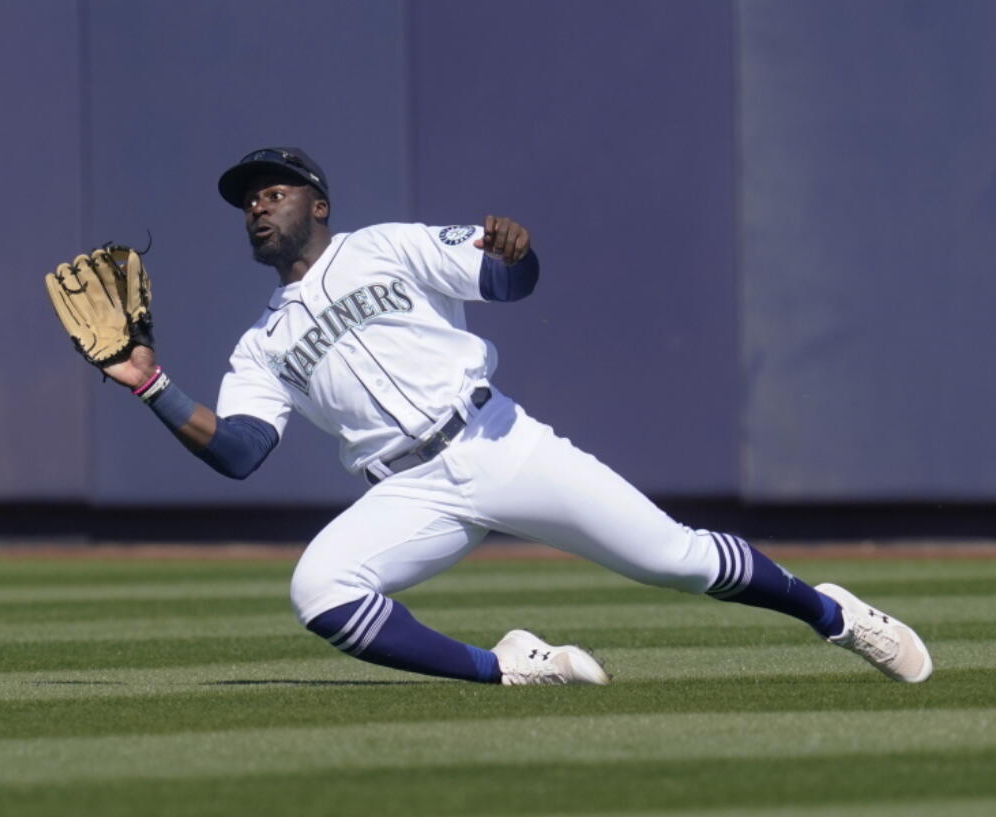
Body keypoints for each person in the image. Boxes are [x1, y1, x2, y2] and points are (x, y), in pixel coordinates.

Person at [98, 146, 932, 685]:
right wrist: (151, 383)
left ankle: (837, 615)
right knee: (319, 590)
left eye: (272, 191)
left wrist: (518, 253)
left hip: (497, 441)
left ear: (318, 203)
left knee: (675, 560)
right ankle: (510, 666)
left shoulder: (384, 245)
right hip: (408, 489)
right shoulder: (261, 343)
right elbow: (240, 452)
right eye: (246, 200)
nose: (256, 205)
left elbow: (505, 283)